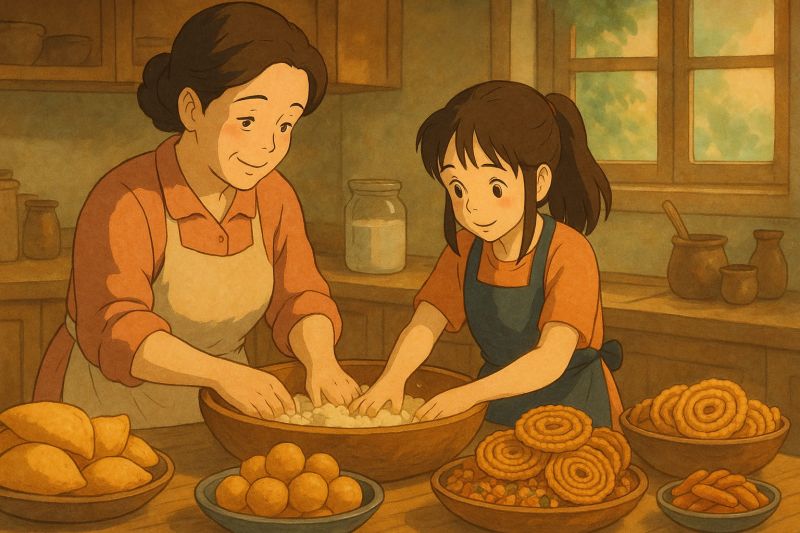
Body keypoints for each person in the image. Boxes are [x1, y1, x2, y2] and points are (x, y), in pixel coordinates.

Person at [33, 2, 360, 428]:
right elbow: (117, 328)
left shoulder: (273, 196)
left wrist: (321, 361)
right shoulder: (128, 197)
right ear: (191, 108)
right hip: (108, 415)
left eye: (284, 126)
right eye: (248, 120)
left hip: (223, 408)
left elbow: (299, 298)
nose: (267, 147)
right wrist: (223, 374)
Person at [351, 81, 624, 429]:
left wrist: (469, 395)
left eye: (495, 187)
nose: (473, 207)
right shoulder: (465, 248)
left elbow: (551, 358)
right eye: (458, 188)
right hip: (497, 409)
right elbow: (424, 324)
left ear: (539, 182)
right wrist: (393, 378)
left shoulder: (568, 251)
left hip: (574, 412)